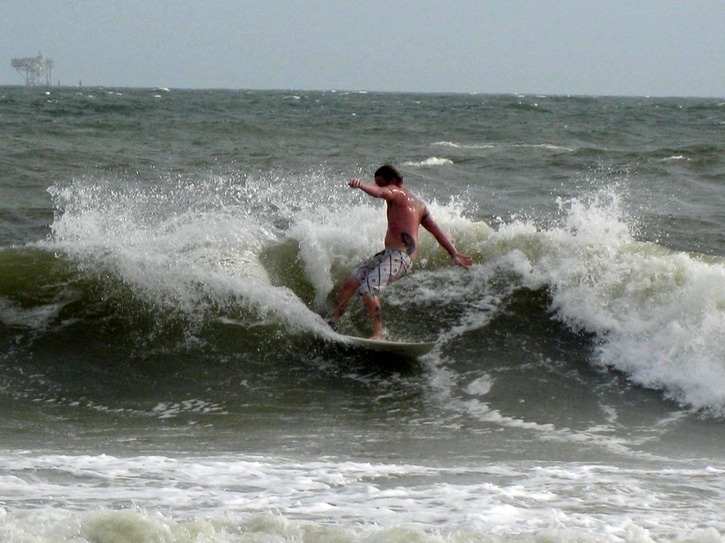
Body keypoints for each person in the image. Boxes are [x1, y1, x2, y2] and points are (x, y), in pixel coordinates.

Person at [329, 164, 473, 339]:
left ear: (395, 181)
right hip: (387, 255)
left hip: (402, 257)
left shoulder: (396, 192)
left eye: (383, 184)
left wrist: (361, 185)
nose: (382, 188)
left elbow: (381, 193)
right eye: (378, 184)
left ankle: (379, 334)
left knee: (368, 290)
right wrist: (454, 254)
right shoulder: (419, 205)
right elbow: (436, 230)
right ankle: (334, 322)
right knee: (349, 285)